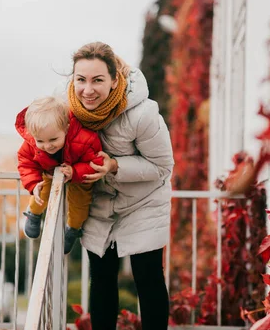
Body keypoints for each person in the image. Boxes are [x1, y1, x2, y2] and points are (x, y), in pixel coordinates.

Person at [68, 42, 174, 329]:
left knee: (147, 275)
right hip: (100, 203)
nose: (87, 90)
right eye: (81, 80)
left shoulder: (143, 114)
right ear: (73, 79)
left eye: (98, 80)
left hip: (144, 201)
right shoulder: (66, 109)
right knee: (101, 275)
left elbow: (163, 166)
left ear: (115, 80)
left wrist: (115, 166)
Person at [16, 96, 103, 254]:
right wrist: (32, 184)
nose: (47, 146)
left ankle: (73, 229)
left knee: (80, 204)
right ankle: (34, 214)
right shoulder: (30, 143)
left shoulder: (84, 138)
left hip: (77, 174)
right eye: (40, 141)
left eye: (53, 139)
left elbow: (96, 163)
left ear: (67, 128)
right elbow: (25, 163)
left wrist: (75, 172)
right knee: (40, 191)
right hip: (48, 171)